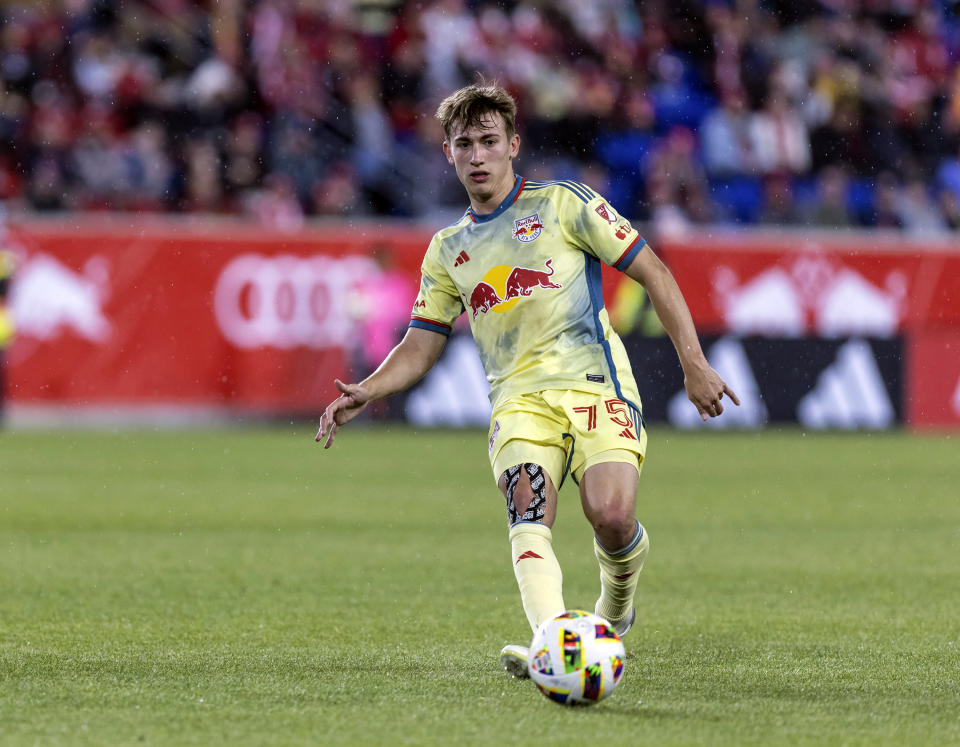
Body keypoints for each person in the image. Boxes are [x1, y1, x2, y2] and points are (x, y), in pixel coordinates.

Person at [315, 81, 739, 678]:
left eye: (489, 141)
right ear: (449, 155)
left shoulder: (565, 204)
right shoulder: (447, 250)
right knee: (528, 507)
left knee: (612, 518)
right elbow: (421, 343)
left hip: (594, 382)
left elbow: (654, 271)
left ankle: (612, 616)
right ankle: (552, 644)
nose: (478, 155)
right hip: (517, 401)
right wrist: (369, 387)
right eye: (464, 144)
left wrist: (693, 363)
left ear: (514, 145)